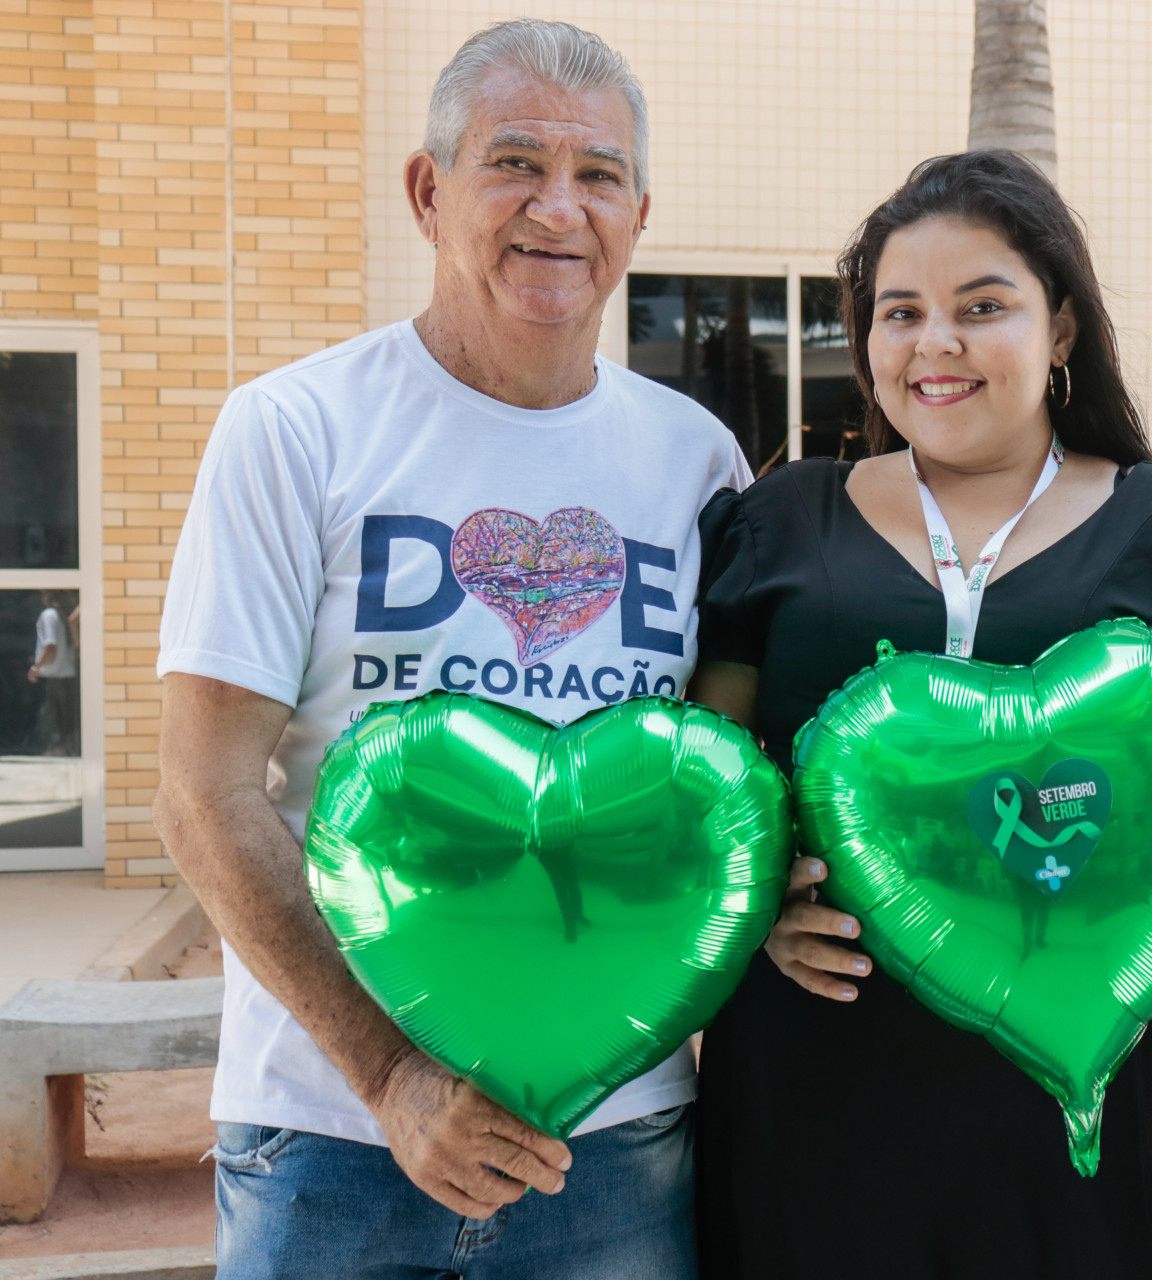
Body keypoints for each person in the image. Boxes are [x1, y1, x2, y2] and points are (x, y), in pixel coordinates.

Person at [152, 19, 749, 1278]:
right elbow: (204, 796)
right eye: (513, 162)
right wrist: (394, 1075)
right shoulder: (294, 430)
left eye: (597, 175)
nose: (557, 206)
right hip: (330, 1141)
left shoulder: (698, 461)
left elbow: (729, 793)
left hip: (615, 1144)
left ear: (639, 213)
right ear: (428, 192)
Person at [688, 149, 1152, 1280]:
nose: (933, 342)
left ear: (1060, 332)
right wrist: (756, 915)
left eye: (981, 306)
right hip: (823, 1075)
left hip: (1087, 1085)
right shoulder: (783, 520)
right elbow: (708, 783)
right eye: (899, 312)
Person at [27, 589, 77, 756]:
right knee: (64, 714)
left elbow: (50, 647)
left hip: (53, 674)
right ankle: (63, 747)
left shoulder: (48, 615)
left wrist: (37, 667)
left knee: (53, 714)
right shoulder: (61, 616)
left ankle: (57, 749)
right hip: (66, 673)